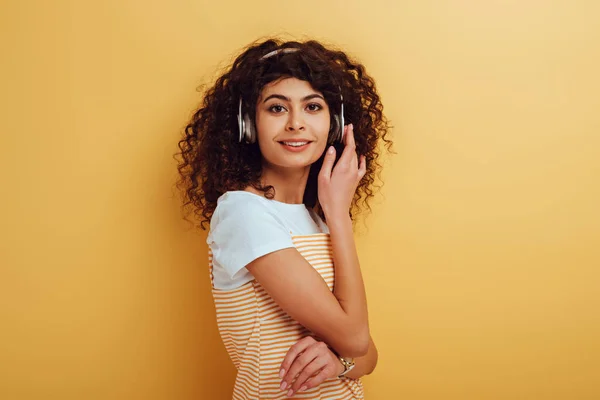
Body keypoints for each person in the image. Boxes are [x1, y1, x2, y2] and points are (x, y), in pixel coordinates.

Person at [176, 38, 391, 399]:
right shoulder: (243, 213)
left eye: (313, 107)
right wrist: (340, 215)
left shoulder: (317, 218)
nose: (296, 124)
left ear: (335, 124)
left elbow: (367, 355)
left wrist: (340, 364)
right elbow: (355, 338)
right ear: (248, 124)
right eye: (277, 108)